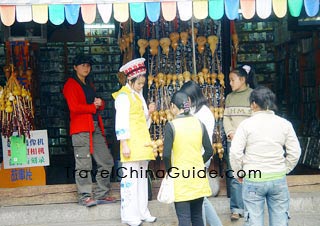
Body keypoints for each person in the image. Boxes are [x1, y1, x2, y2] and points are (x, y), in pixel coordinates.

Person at [230, 86, 301, 226]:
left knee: (254, 221)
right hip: (277, 178)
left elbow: (235, 152)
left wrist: (239, 172)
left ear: (254, 104)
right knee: (280, 220)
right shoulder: (284, 124)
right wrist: (284, 169)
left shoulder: (246, 125)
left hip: (253, 177)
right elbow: (295, 152)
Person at [63, 54, 116, 207]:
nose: (86, 68)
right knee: (83, 164)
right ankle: (85, 196)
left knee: (106, 161)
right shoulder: (70, 85)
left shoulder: (89, 84)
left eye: (88, 65)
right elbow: (74, 107)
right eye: (82, 65)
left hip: (93, 126)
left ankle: (101, 193)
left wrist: (100, 103)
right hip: (80, 129)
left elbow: (95, 105)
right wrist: (93, 107)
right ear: (75, 67)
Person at [112, 58, 156, 226]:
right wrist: (123, 144)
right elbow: (121, 121)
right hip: (130, 142)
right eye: (138, 83)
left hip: (142, 141)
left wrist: (149, 112)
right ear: (130, 81)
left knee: (142, 178)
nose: (141, 86)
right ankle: (130, 215)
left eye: (142, 84)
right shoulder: (123, 97)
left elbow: (143, 119)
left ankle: (143, 212)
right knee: (130, 180)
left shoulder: (138, 95)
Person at [163, 90, 213, 226]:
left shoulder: (171, 126)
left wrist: (169, 171)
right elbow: (209, 151)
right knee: (197, 216)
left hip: (181, 179)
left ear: (173, 106)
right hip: (198, 176)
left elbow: (166, 155)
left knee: (184, 218)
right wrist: (198, 163)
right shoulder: (199, 123)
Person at [180, 81, 222, 226]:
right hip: (197, 157)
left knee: (198, 199)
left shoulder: (202, 113)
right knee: (201, 198)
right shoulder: (196, 110)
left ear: (192, 97)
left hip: (198, 157)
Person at [223, 64, 256, 220]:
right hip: (233, 141)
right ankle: (236, 208)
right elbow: (226, 118)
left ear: (242, 80)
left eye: (232, 80)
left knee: (252, 173)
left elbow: (256, 119)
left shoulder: (253, 96)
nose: (230, 83)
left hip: (250, 142)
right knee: (235, 175)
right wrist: (230, 132)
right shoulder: (229, 97)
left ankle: (251, 207)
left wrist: (244, 135)